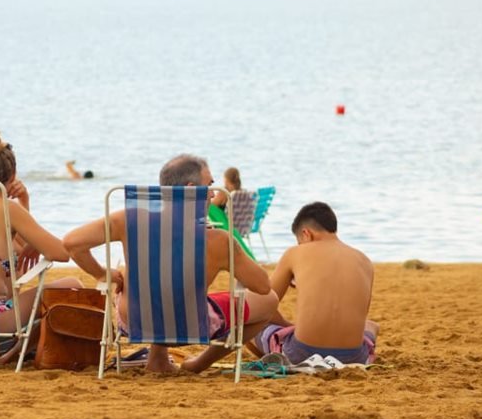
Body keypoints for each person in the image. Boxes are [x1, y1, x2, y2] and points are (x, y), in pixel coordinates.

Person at [63, 154, 277, 374]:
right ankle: (198, 364)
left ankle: (158, 359)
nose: (213, 193)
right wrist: (235, 255)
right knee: (269, 300)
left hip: (134, 323)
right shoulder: (217, 241)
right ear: (192, 189)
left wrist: (101, 273)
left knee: (154, 282)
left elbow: (72, 243)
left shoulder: (129, 220)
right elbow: (262, 286)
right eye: (209, 186)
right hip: (190, 326)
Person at [0, 131, 84, 367]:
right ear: (12, 175)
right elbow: (61, 253)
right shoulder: (7, 209)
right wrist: (23, 212)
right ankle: (12, 354)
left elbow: (18, 254)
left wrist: (25, 207)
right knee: (73, 283)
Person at [253, 201, 379, 366]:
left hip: (301, 353)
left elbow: (263, 305)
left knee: (249, 321)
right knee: (371, 325)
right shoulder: (364, 260)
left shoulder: (295, 253)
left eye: (300, 241)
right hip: (354, 356)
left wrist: (286, 325)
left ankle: (273, 359)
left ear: (306, 234)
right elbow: (361, 315)